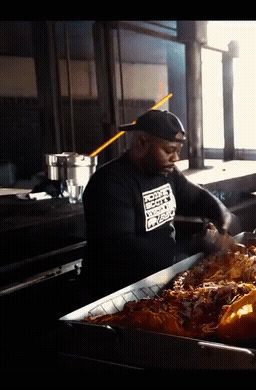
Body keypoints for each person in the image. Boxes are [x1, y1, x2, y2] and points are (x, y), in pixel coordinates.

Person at [81, 110, 240, 299]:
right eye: (168, 150)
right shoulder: (110, 183)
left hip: (157, 279)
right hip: (117, 291)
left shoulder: (166, 173)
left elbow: (197, 197)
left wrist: (223, 217)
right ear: (141, 143)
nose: (175, 158)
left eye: (177, 151)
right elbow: (123, 250)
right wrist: (196, 244)